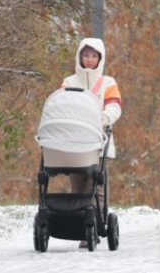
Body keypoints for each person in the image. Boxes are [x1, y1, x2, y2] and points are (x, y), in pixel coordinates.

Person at [61, 38, 122, 248]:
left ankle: (95, 225)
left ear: (100, 59)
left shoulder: (108, 83)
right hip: (74, 142)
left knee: (97, 186)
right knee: (78, 186)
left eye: (94, 56)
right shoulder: (69, 82)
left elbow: (115, 107)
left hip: (99, 140)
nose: (89, 60)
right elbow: (63, 105)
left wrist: (104, 117)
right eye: (86, 55)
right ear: (79, 57)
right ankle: (80, 228)